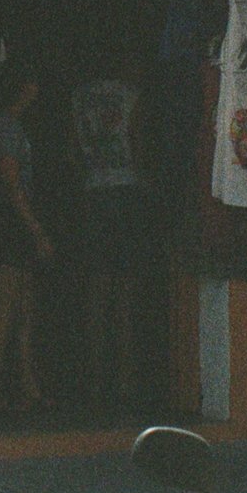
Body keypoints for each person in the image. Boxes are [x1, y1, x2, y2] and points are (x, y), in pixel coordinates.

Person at [0, 64, 51, 415]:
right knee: (5, 311)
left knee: (22, 310)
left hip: (9, 221)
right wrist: (36, 230)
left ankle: (26, 388)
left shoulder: (7, 125)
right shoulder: (4, 127)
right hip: (5, 221)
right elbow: (11, 182)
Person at [70, 56, 146, 416]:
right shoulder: (131, 96)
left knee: (96, 294)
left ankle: (94, 384)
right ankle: (127, 383)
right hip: (126, 192)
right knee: (126, 295)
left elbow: (72, 151)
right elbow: (138, 144)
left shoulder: (78, 98)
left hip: (92, 193)